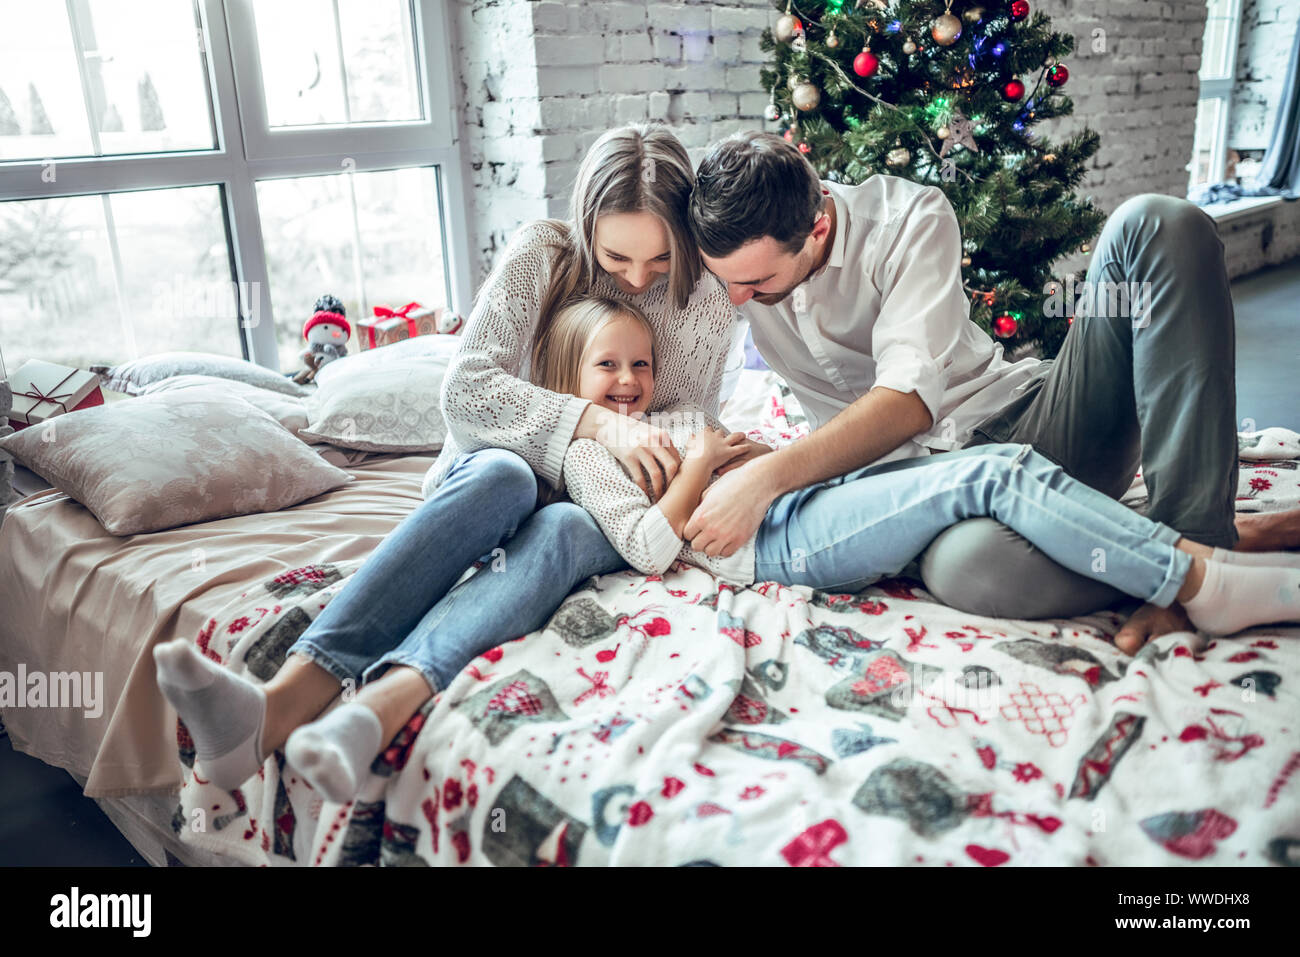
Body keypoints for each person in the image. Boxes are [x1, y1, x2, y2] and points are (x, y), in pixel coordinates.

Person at [152, 124, 751, 797]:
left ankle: (373, 713)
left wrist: (700, 454)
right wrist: (597, 424)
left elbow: (687, 423)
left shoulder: (703, 302)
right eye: (617, 257)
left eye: (660, 259)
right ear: (585, 226)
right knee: (505, 474)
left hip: (600, 504)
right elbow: (465, 390)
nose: (639, 279)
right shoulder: (542, 256)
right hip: (500, 476)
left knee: (564, 528)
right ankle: (278, 703)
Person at [683, 130, 1300, 655]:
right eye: (727, 280)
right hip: (919, 494)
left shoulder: (909, 219)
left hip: (1036, 423)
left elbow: (908, 402)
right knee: (970, 572)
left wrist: (766, 479)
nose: (737, 300)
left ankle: (1200, 537)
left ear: (817, 228)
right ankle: (1186, 550)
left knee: (1159, 222)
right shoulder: (732, 265)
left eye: (757, 283)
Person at [550, 295, 1300, 649]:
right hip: (766, 544)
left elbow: (726, 458)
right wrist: (708, 464)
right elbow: (648, 547)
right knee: (995, 473)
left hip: (793, 499)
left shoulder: (665, 416)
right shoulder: (587, 450)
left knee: (993, 481)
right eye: (606, 365)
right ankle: (1207, 583)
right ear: (566, 374)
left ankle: (1202, 558)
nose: (627, 380)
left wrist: (745, 454)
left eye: (638, 363)